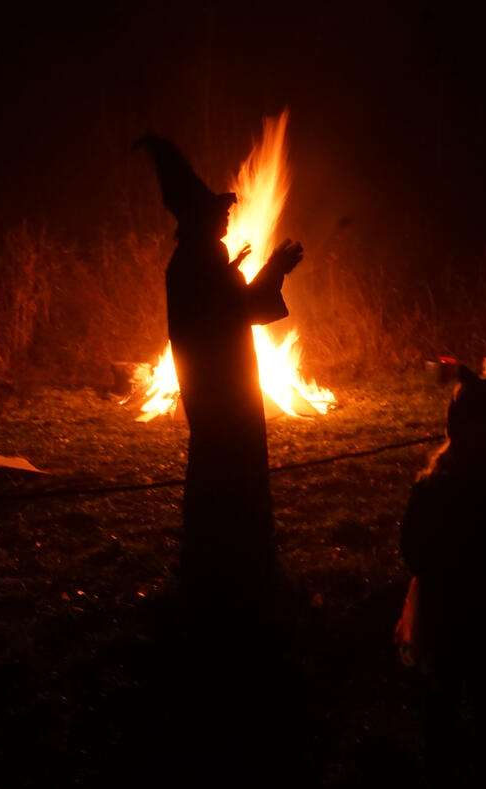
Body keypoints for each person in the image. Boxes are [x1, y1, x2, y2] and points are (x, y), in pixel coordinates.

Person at [135, 135, 302, 609]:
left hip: (214, 386)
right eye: (218, 208)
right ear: (199, 216)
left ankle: (216, 562)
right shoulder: (199, 260)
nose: (226, 212)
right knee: (230, 470)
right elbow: (238, 311)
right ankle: (234, 568)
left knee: (216, 467)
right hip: (223, 388)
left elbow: (222, 304)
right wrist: (275, 267)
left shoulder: (198, 257)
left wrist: (239, 267)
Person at [399, 365, 486, 789]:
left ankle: (441, 772)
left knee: (443, 692)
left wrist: (432, 569)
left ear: (449, 425)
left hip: (445, 602)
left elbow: (410, 545)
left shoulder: (432, 488)